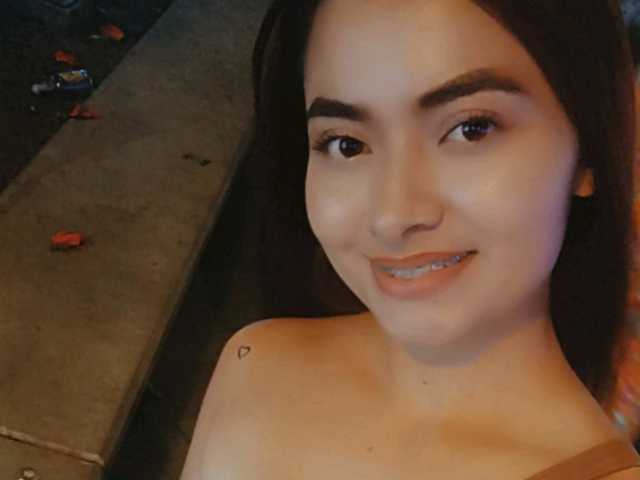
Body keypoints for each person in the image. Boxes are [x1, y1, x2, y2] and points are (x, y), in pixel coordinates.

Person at [181, 1, 640, 478]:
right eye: (346, 144)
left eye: (471, 129)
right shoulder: (255, 363)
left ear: (586, 150)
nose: (392, 216)